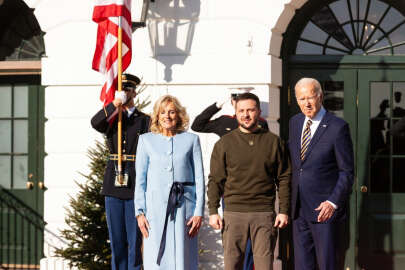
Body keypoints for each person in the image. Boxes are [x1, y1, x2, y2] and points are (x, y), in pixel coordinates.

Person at [207, 92, 291, 270]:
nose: (246, 115)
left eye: (250, 110)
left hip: (264, 214)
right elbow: (215, 180)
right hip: (233, 214)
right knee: (232, 265)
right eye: (241, 110)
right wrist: (213, 210)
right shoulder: (224, 144)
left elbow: (284, 178)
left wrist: (283, 210)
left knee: (264, 266)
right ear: (235, 113)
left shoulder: (274, 142)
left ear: (258, 112)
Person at [191, 91, 269, 270]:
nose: (244, 112)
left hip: (255, 194)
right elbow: (198, 125)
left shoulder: (261, 124)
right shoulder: (225, 122)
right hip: (231, 193)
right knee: (233, 242)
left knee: (252, 244)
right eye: (236, 102)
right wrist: (217, 104)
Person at [288, 78, 354, 270]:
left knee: (327, 265)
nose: (306, 103)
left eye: (310, 97)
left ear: (320, 96)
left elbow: (347, 172)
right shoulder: (295, 122)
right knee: (302, 265)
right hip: (298, 209)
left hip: (324, 211)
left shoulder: (337, 127)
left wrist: (333, 202)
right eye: (301, 99)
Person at [134, 95, 205, 270]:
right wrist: (140, 212)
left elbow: (199, 178)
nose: (167, 116)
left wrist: (198, 212)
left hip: (184, 211)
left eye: (172, 112)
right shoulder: (146, 140)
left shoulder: (191, 140)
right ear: (157, 116)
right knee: (157, 260)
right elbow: (140, 180)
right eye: (163, 112)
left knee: (184, 260)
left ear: (179, 115)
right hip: (155, 212)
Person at [91, 73, 150, 270]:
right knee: (117, 241)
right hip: (113, 183)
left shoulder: (145, 121)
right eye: (121, 90)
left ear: (134, 92)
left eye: (127, 90)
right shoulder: (111, 117)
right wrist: (114, 104)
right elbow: (95, 122)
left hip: (135, 184)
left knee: (135, 241)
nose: (124, 93)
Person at [191, 92, 269, 137]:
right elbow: (197, 126)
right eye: (235, 99)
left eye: (242, 99)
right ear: (231, 101)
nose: (238, 102)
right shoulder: (225, 121)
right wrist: (217, 106)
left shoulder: (260, 122)